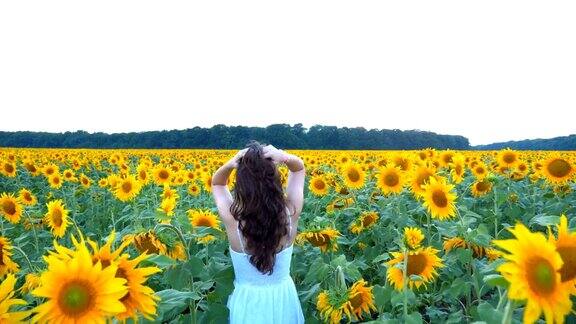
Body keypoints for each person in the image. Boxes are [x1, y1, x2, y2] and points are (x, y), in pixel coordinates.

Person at [211, 140, 306, 324]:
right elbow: (299, 169)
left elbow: (217, 184)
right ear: (275, 181)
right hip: (283, 300)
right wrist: (284, 157)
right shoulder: (290, 213)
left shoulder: (233, 220)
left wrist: (232, 162)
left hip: (247, 304)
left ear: (242, 186)